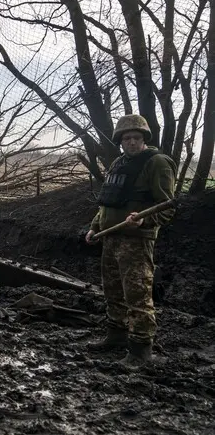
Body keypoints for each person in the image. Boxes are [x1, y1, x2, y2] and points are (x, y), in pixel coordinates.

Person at [85, 114, 176, 368]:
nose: (132, 142)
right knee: (113, 291)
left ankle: (140, 350)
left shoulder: (157, 163)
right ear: (120, 141)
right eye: (127, 138)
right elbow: (108, 201)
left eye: (137, 138)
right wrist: (94, 227)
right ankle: (116, 336)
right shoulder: (118, 163)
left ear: (144, 139)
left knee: (137, 295)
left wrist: (144, 221)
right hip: (111, 237)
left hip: (136, 241)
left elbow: (168, 207)